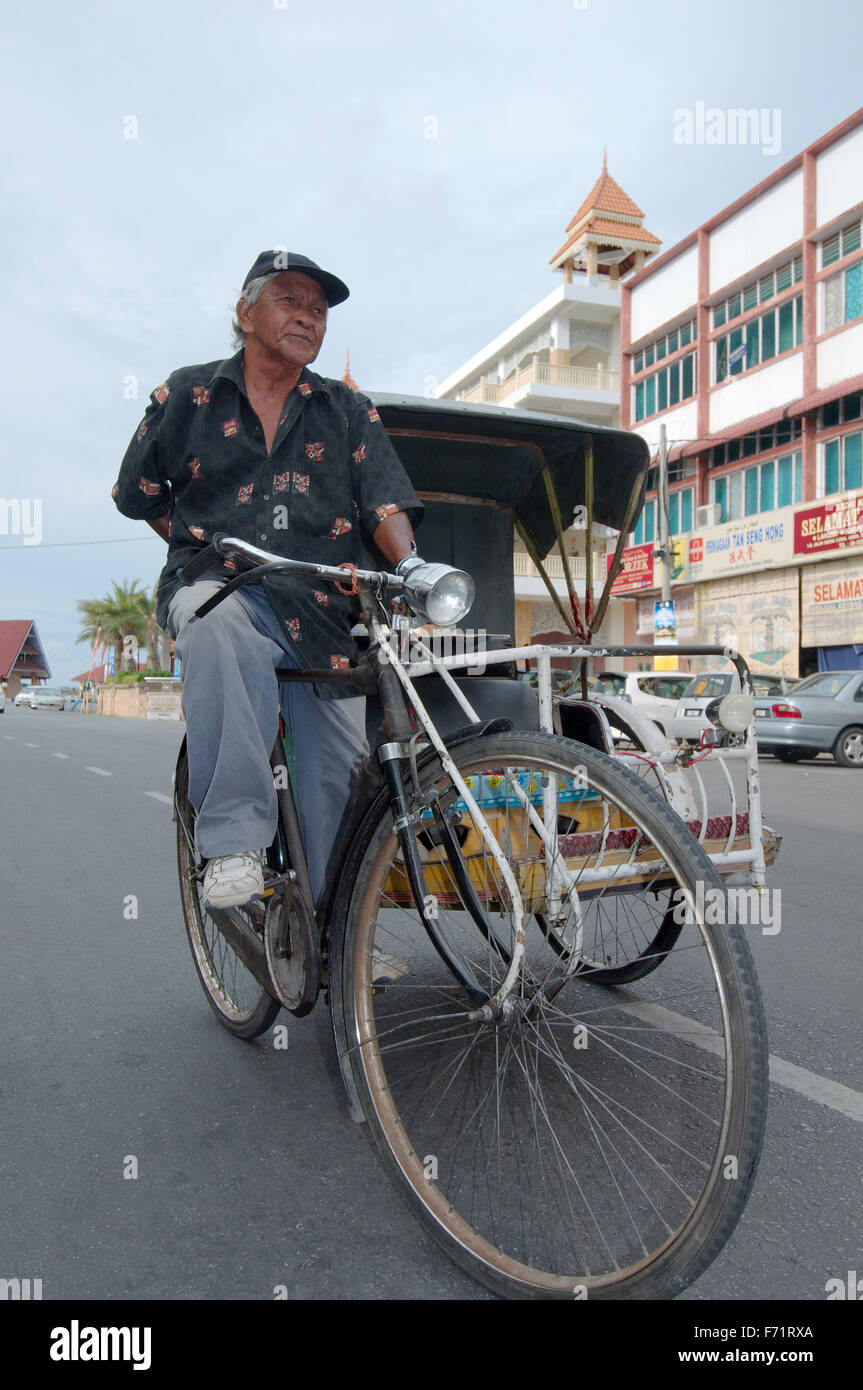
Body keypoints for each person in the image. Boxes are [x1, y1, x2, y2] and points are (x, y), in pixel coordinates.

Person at [112, 250, 424, 911]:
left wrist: (412, 566)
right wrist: (188, 540)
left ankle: (332, 934)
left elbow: (385, 501)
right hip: (221, 584)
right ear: (245, 311)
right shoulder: (189, 395)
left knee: (333, 780)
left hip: (319, 608)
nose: (307, 318)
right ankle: (231, 840)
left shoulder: (346, 409)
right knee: (216, 623)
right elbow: (137, 494)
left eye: (318, 311)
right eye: (290, 301)